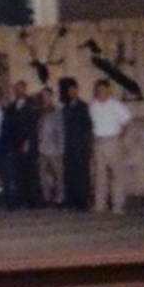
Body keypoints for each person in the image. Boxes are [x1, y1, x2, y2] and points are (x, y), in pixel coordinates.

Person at [88, 79, 133, 213]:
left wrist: (119, 137)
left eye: (103, 89)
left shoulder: (116, 105)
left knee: (117, 174)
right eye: (98, 90)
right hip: (99, 142)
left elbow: (126, 121)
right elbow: (92, 124)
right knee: (99, 175)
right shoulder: (93, 106)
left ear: (108, 90)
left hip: (113, 141)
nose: (101, 92)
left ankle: (117, 206)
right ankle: (99, 205)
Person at [58, 78, 93, 210]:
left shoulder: (84, 107)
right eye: (69, 90)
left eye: (73, 90)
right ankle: (71, 200)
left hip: (81, 146)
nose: (71, 92)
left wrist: (87, 146)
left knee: (82, 174)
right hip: (69, 146)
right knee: (70, 173)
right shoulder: (65, 108)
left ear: (77, 90)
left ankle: (82, 201)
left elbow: (88, 127)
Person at [7, 80, 41, 207]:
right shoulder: (11, 106)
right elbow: (9, 126)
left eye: (20, 88)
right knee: (18, 172)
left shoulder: (32, 103)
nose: (18, 91)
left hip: (28, 143)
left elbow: (33, 124)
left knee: (30, 172)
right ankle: (20, 199)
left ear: (25, 89)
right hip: (15, 144)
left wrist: (28, 141)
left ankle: (32, 200)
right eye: (16, 88)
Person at [36, 87, 64, 205]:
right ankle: (46, 198)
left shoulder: (57, 112)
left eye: (47, 95)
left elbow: (61, 131)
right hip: (42, 148)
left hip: (54, 149)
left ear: (51, 96)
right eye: (43, 96)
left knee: (59, 175)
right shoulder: (40, 111)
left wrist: (61, 149)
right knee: (42, 175)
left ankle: (60, 198)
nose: (45, 98)